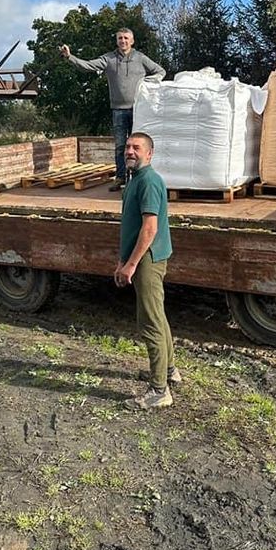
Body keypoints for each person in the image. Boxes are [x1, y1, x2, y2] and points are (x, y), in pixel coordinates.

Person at [114, 132, 181, 410]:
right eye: (128, 147)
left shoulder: (149, 181)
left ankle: (158, 391)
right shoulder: (135, 180)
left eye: (136, 148)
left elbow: (150, 228)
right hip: (141, 258)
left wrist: (131, 264)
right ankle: (169, 371)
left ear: (149, 153)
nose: (130, 151)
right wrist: (123, 259)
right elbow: (132, 227)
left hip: (148, 261)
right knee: (158, 316)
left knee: (150, 322)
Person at [59, 29, 165, 190]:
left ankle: (138, 177)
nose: (123, 41)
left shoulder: (140, 58)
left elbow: (160, 71)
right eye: (120, 38)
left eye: (126, 38)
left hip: (138, 110)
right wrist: (69, 57)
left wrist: (146, 82)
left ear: (132, 41)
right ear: (117, 41)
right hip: (118, 110)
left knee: (139, 145)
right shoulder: (109, 59)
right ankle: (121, 177)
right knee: (121, 145)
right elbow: (87, 65)